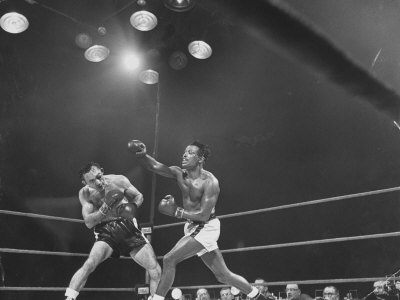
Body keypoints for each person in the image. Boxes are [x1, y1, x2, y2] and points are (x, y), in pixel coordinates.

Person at [128, 140, 268, 300]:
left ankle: (156, 299)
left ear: (200, 159)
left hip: (206, 227)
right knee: (223, 276)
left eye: (190, 152)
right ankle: (260, 297)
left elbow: (203, 215)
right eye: (184, 151)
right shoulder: (179, 173)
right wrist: (143, 155)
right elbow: (155, 166)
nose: (184, 154)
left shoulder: (210, 182)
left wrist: (176, 212)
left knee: (169, 259)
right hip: (191, 226)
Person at [64, 162, 161, 300]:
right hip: (106, 229)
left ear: (102, 171)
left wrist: (131, 208)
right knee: (90, 264)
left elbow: (139, 196)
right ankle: (69, 298)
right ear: (84, 182)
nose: (98, 182)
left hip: (127, 226)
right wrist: (106, 206)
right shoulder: (85, 193)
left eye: (99, 176)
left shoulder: (119, 180)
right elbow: (89, 223)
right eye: (91, 180)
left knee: (155, 269)